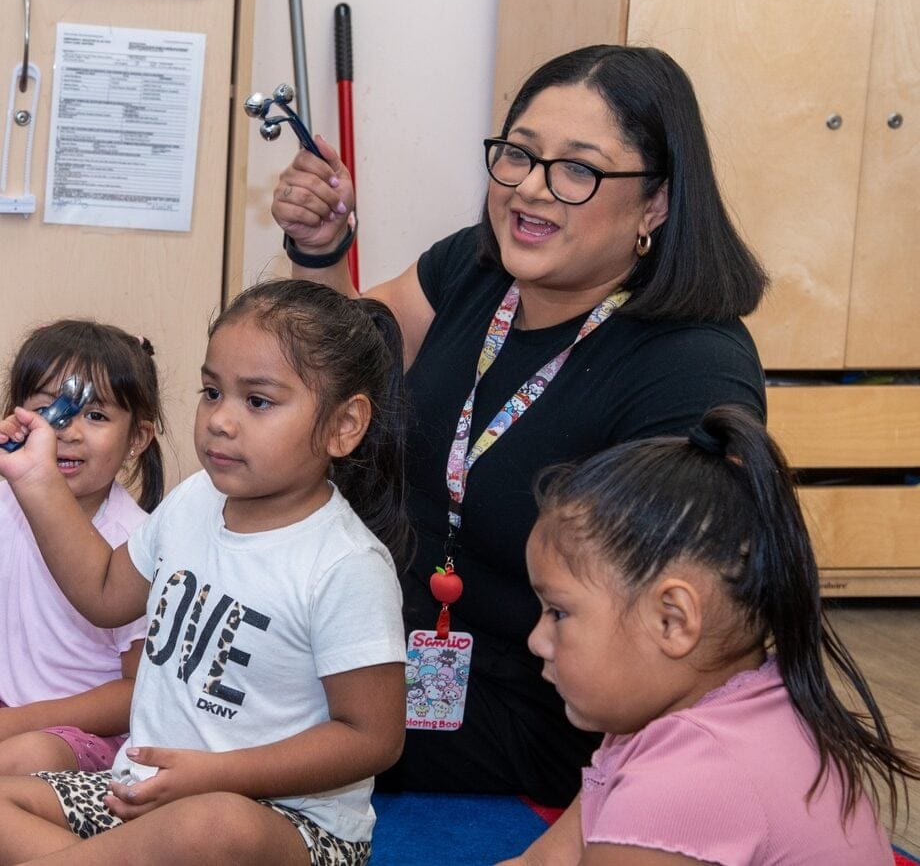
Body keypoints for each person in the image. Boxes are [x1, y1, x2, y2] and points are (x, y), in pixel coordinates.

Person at [271, 44, 770, 806]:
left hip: (545, 702)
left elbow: (687, 625)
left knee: (253, 722)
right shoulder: (475, 271)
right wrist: (321, 247)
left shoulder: (693, 364)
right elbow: (339, 363)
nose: (530, 191)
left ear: (657, 204)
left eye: (577, 169)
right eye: (518, 156)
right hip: (391, 645)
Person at [0, 279, 409, 865]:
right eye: (212, 392)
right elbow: (104, 592)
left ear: (344, 425)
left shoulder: (346, 564)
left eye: (258, 401)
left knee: (211, 827)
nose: (220, 420)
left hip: (284, 821)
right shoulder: (193, 501)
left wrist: (215, 775)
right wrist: (36, 479)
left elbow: (373, 738)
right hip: (140, 792)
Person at [499, 405, 920, 866]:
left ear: (673, 621)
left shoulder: (690, 778)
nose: (537, 640)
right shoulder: (724, 705)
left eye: (558, 612)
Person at [0, 320, 162, 775]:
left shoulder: (139, 545)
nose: (67, 430)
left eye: (95, 415)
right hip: (9, 707)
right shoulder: (7, 503)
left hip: (86, 734)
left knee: (22, 758)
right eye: (48, 409)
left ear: (137, 439)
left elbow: (140, 691)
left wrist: (17, 723)